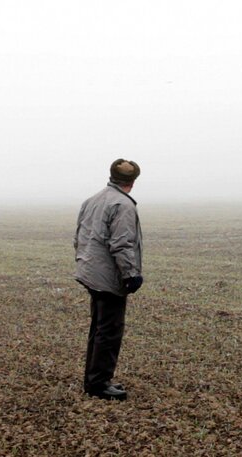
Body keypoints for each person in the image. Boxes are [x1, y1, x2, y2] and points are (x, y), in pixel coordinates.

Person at [73, 159, 143, 400]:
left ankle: (93, 379)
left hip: (90, 272)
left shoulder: (92, 200)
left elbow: (79, 237)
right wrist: (131, 274)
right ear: (133, 182)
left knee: (99, 327)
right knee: (110, 330)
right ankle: (99, 384)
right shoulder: (123, 205)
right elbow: (122, 243)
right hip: (107, 277)